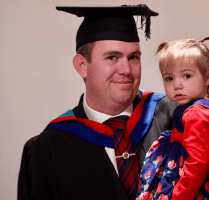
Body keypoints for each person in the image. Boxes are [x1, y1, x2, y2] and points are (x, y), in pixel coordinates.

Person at [17, 5, 178, 200]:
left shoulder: (176, 116)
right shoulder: (48, 149)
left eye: (133, 57)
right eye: (112, 57)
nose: (126, 69)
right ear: (82, 66)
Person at [137, 34, 209, 200]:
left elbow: (198, 164)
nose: (177, 85)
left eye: (187, 76)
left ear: (208, 77)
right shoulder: (205, 105)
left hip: (193, 184)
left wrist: (179, 196)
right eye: (169, 78)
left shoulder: (196, 113)